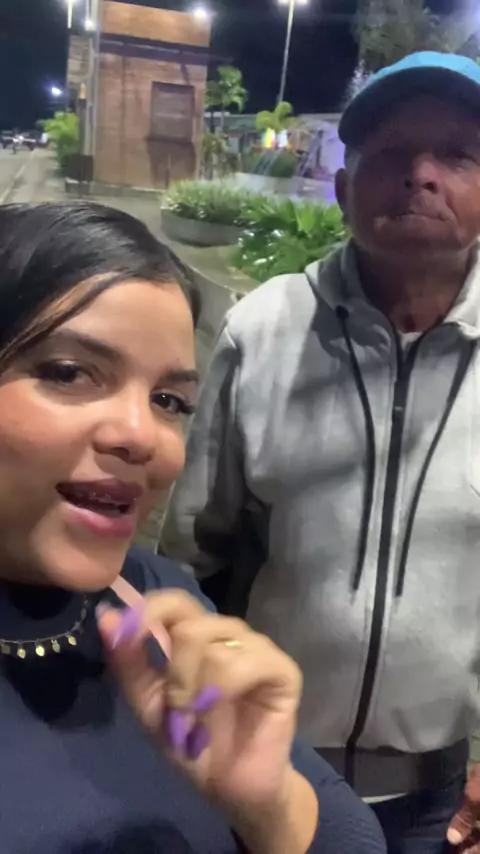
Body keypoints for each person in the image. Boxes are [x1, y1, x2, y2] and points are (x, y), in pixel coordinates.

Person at [162, 52, 480, 853]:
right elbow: (193, 559)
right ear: (342, 188)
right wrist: (190, 735)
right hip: (266, 772)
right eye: (390, 153)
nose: (420, 175)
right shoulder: (264, 331)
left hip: (435, 800)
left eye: (456, 154)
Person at [0, 201, 385, 854]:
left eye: (169, 400)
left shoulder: (156, 605)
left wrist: (267, 804)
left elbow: (352, 839)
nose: (142, 435)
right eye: (70, 372)